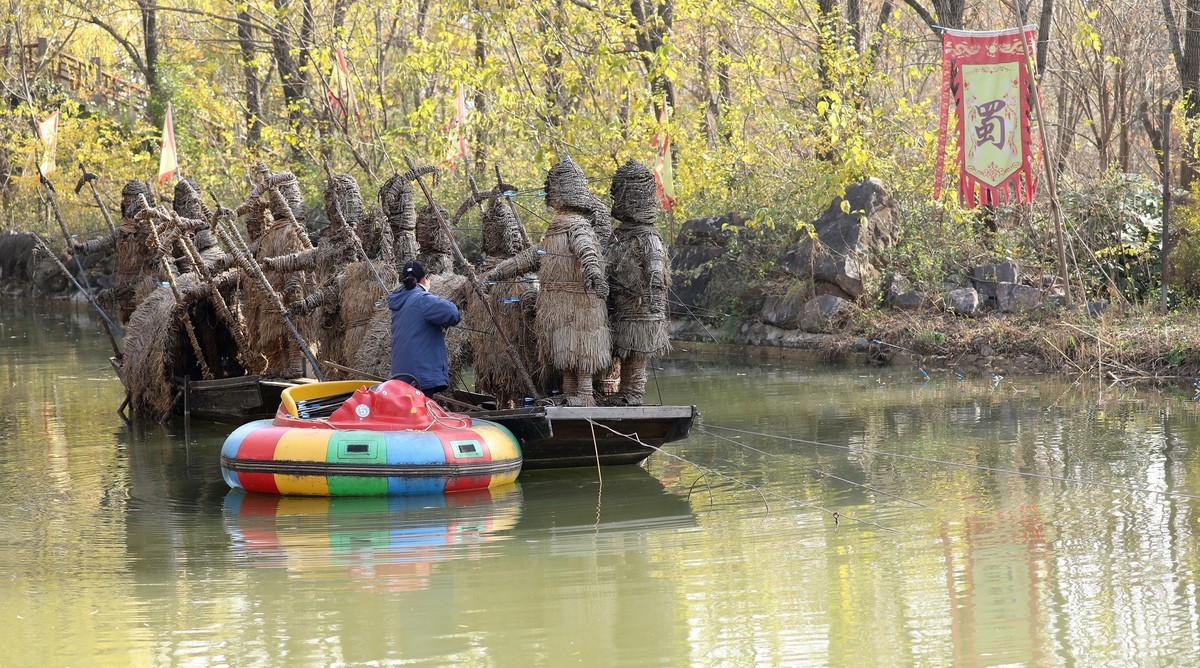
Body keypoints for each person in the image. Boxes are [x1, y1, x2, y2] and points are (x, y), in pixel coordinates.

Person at [389, 259, 461, 395]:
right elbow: (452, 314)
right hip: (420, 375)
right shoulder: (422, 299)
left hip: (401, 376)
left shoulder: (399, 301)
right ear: (425, 279)